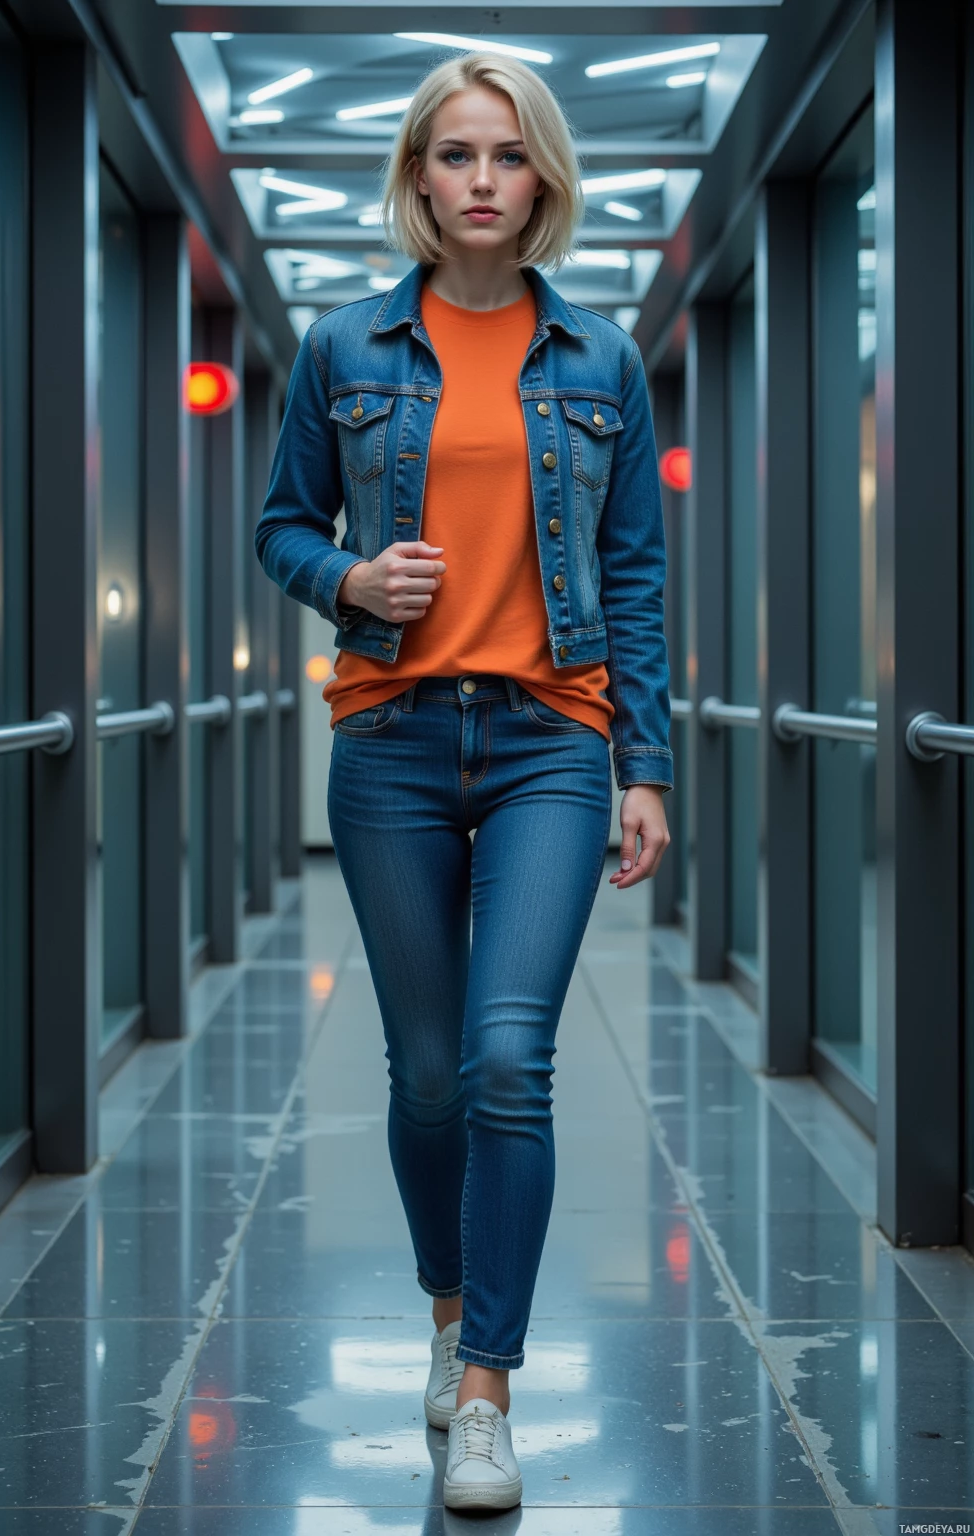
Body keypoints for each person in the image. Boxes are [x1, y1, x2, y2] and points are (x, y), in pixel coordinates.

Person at [255, 50, 672, 1514]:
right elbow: (280, 527)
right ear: (418, 178)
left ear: (544, 179)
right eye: (454, 155)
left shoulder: (601, 361)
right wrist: (353, 577)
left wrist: (646, 768)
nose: (481, 180)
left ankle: (490, 1387)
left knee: (508, 1059)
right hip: (392, 745)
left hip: (555, 741)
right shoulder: (343, 349)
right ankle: (447, 1317)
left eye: (507, 155)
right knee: (426, 1075)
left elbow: (633, 578)